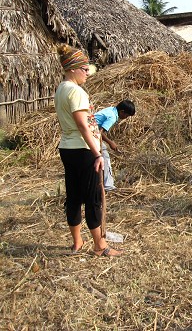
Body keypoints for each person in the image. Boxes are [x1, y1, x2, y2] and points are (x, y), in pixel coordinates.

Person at [54, 44, 121, 256]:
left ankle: (77, 242)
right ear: (73, 68)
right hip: (84, 151)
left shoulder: (61, 89)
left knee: (73, 196)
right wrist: (98, 153)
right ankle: (100, 247)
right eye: (84, 69)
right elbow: (84, 126)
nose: (86, 73)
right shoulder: (76, 92)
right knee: (93, 198)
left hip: (67, 148)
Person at [94, 100, 136, 191]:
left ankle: (97, 184)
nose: (126, 118)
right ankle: (108, 186)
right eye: (127, 115)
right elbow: (99, 133)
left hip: (87, 132)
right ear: (122, 112)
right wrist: (110, 143)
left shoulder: (111, 110)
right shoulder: (112, 116)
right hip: (91, 134)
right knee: (105, 156)